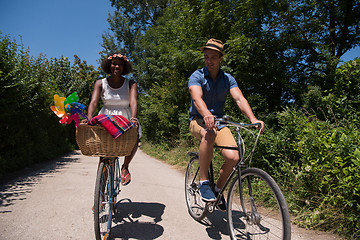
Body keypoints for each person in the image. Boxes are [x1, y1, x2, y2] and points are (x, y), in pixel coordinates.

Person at [188, 38, 265, 210]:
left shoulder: (228, 79)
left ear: (221, 58)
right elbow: (196, 97)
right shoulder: (197, 76)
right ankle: (204, 182)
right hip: (198, 121)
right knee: (209, 133)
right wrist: (207, 114)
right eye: (206, 56)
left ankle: (217, 189)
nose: (209, 60)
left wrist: (253, 119)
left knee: (234, 157)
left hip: (220, 123)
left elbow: (239, 99)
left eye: (213, 57)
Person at [83, 53, 140, 186]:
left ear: (124, 67)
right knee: (103, 157)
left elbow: (133, 101)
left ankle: (125, 166)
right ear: (109, 66)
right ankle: (101, 196)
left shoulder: (131, 83)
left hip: (124, 117)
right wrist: (89, 118)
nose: (116, 66)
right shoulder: (100, 83)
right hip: (106, 116)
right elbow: (93, 102)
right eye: (114, 63)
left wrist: (133, 118)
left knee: (135, 137)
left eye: (120, 64)